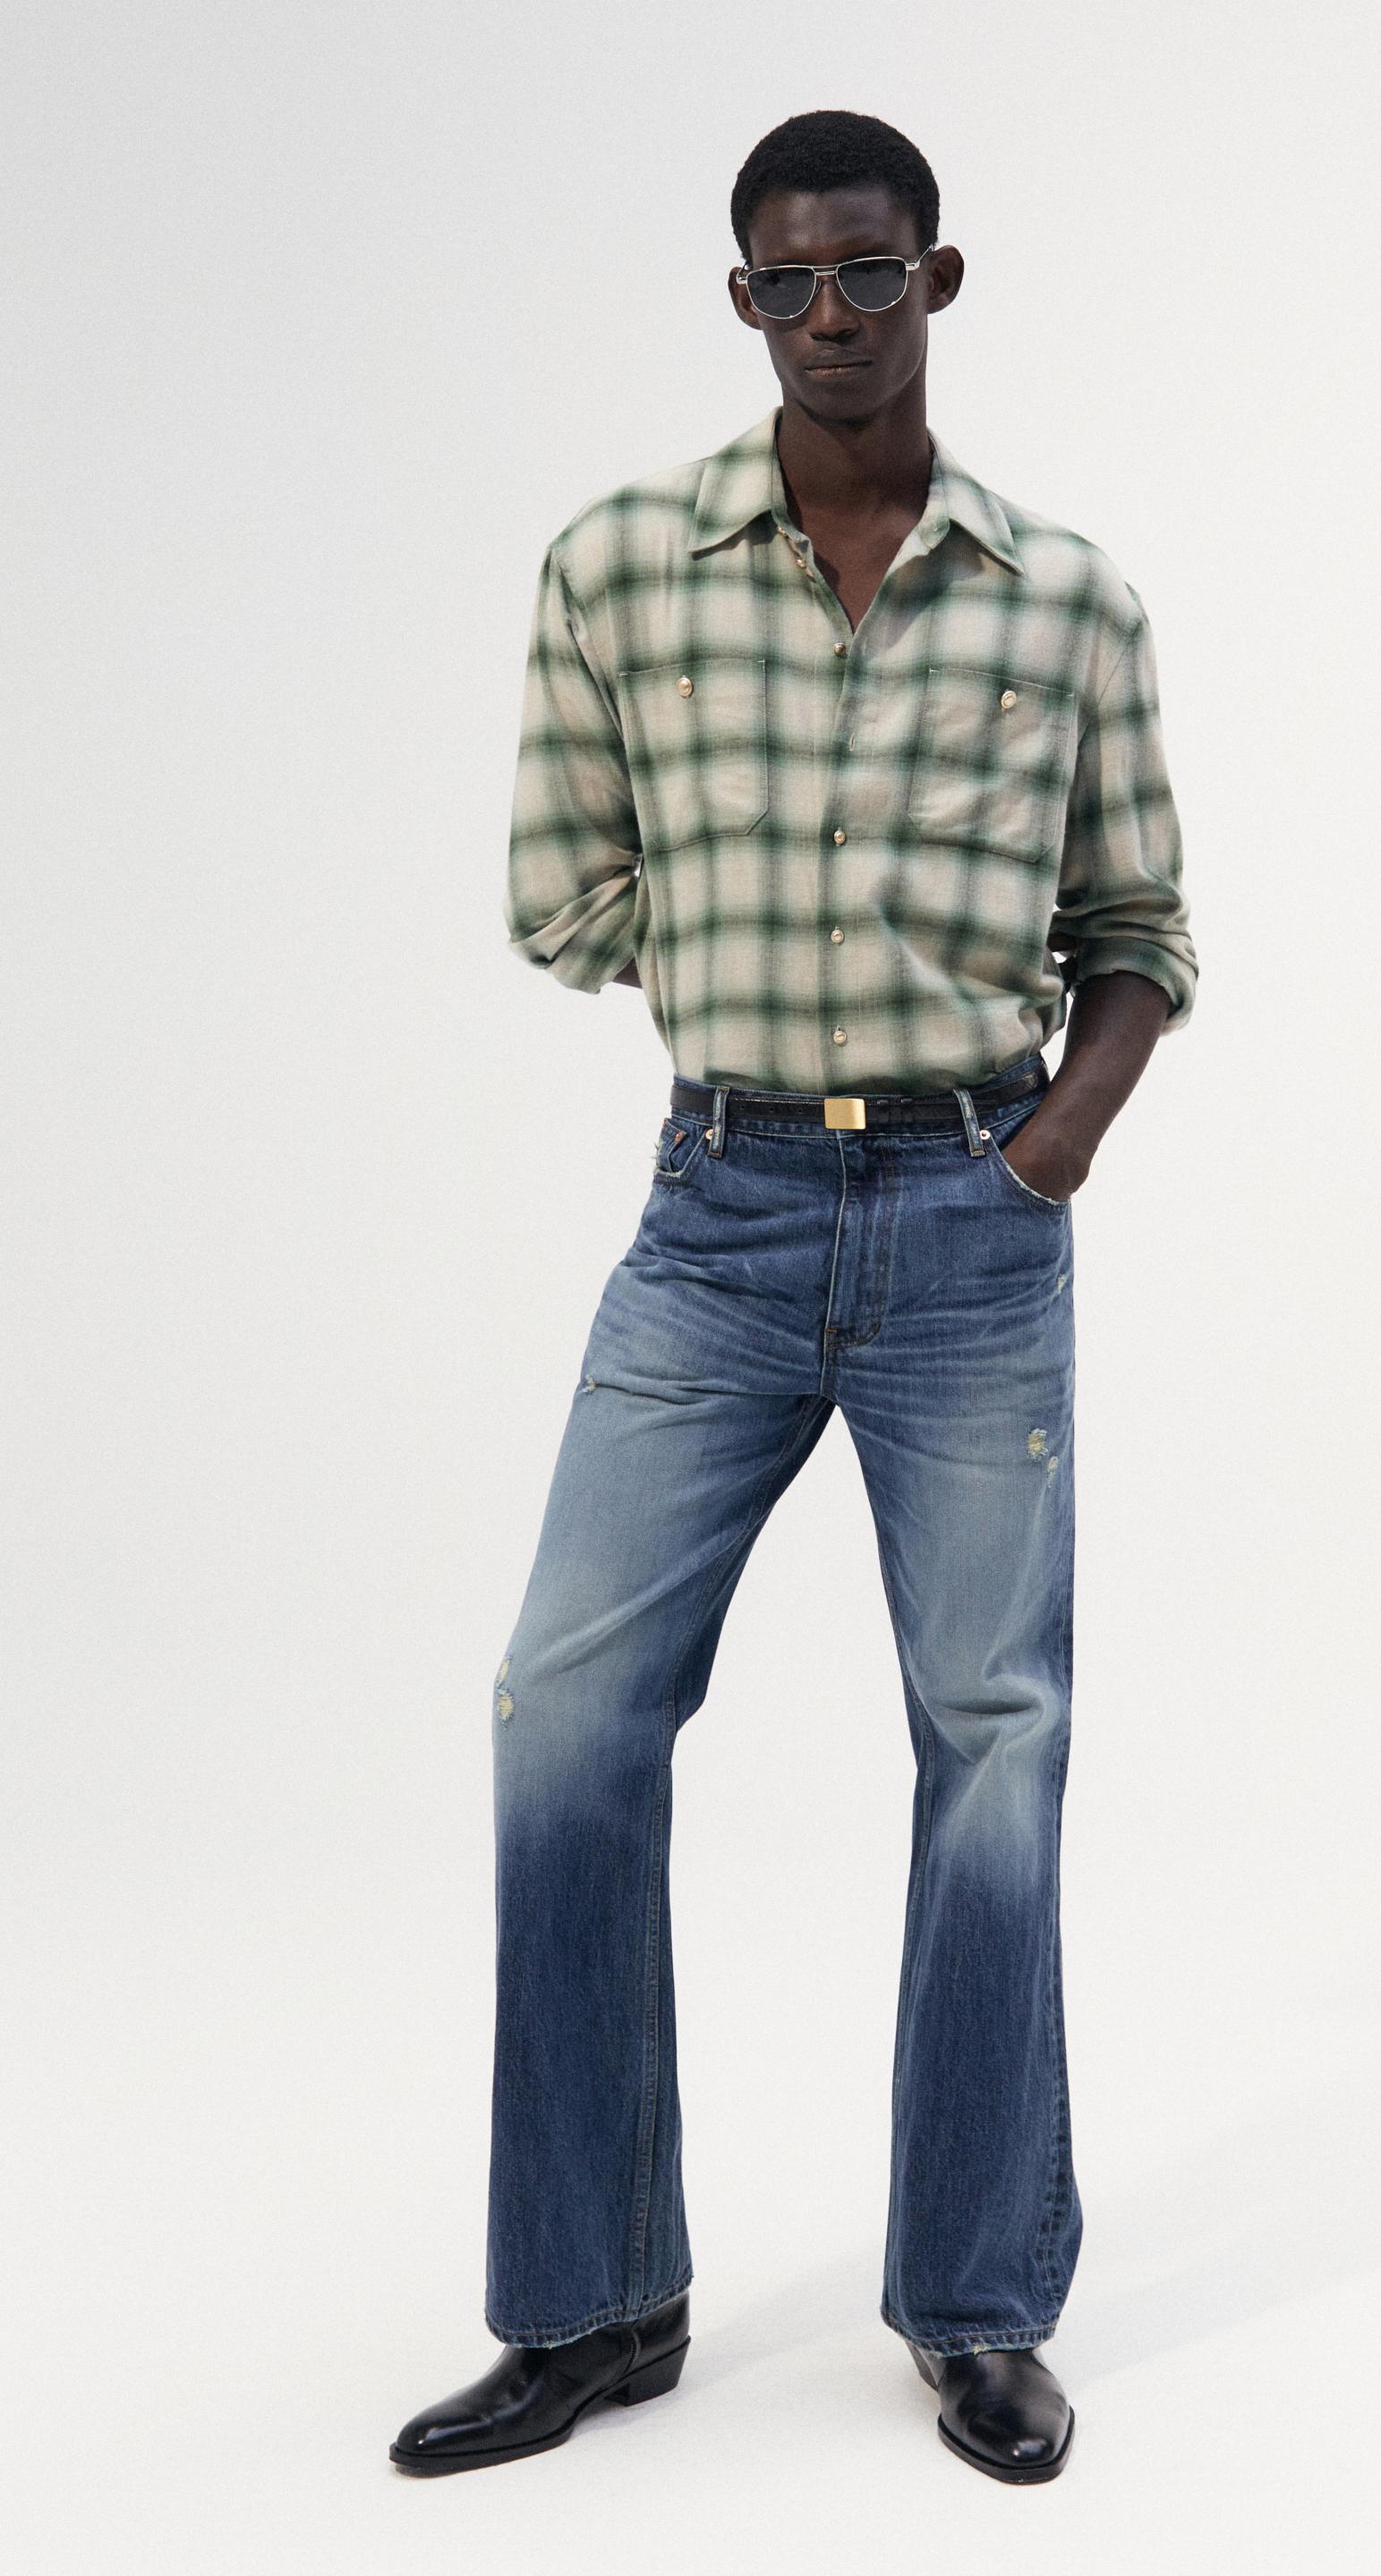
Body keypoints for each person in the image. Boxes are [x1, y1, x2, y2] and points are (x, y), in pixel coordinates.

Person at [390, 106, 1198, 2489]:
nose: (826, 317)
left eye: (864, 273)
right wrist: (756, 971)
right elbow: (561, 892)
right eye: (781, 283)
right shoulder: (619, 569)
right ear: (741, 301)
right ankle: (593, 2296)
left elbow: (1140, 935)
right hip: (720, 1217)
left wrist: (1044, 1147)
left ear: (937, 277)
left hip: (973, 1219)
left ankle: (977, 2306)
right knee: (564, 1711)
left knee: (993, 1739)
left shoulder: (1067, 602)